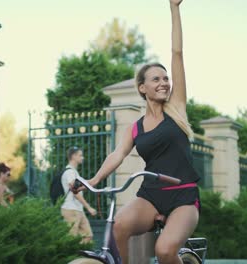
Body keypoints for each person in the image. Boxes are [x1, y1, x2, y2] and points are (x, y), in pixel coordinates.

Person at [73, 1, 200, 263]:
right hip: (150, 194)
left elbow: (177, 52)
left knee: (164, 251)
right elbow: (117, 155)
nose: (164, 82)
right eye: (156, 79)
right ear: (142, 88)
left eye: (165, 78)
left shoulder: (176, 108)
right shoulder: (136, 127)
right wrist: (93, 181)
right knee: (119, 225)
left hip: (184, 195)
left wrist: (174, 9)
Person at [61, 146, 98, 244]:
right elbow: (75, 191)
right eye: (80, 155)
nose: (83, 157)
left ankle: (79, 256)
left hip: (78, 209)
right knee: (71, 238)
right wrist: (88, 207)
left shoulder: (74, 172)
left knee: (88, 235)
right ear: (73, 156)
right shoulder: (69, 172)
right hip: (70, 209)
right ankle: (72, 257)